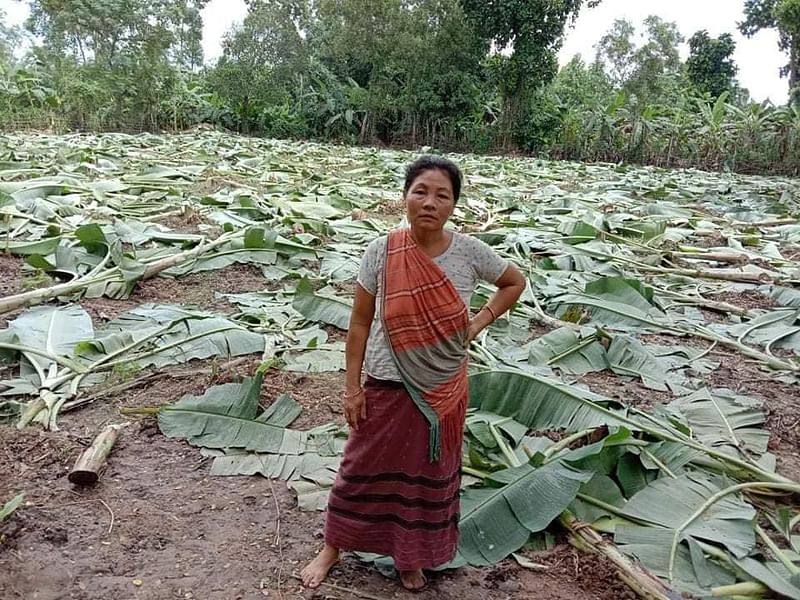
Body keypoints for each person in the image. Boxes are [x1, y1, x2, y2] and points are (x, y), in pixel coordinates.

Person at [301, 155, 526, 591]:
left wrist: (478, 322)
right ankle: (332, 547)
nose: (430, 202)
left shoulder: (470, 252)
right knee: (358, 469)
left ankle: (410, 556)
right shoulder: (382, 251)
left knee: (427, 476)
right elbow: (360, 323)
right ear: (404, 197)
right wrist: (351, 388)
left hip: (442, 389)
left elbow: (513, 283)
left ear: (454, 204)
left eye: (442, 195)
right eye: (420, 191)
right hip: (386, 382)